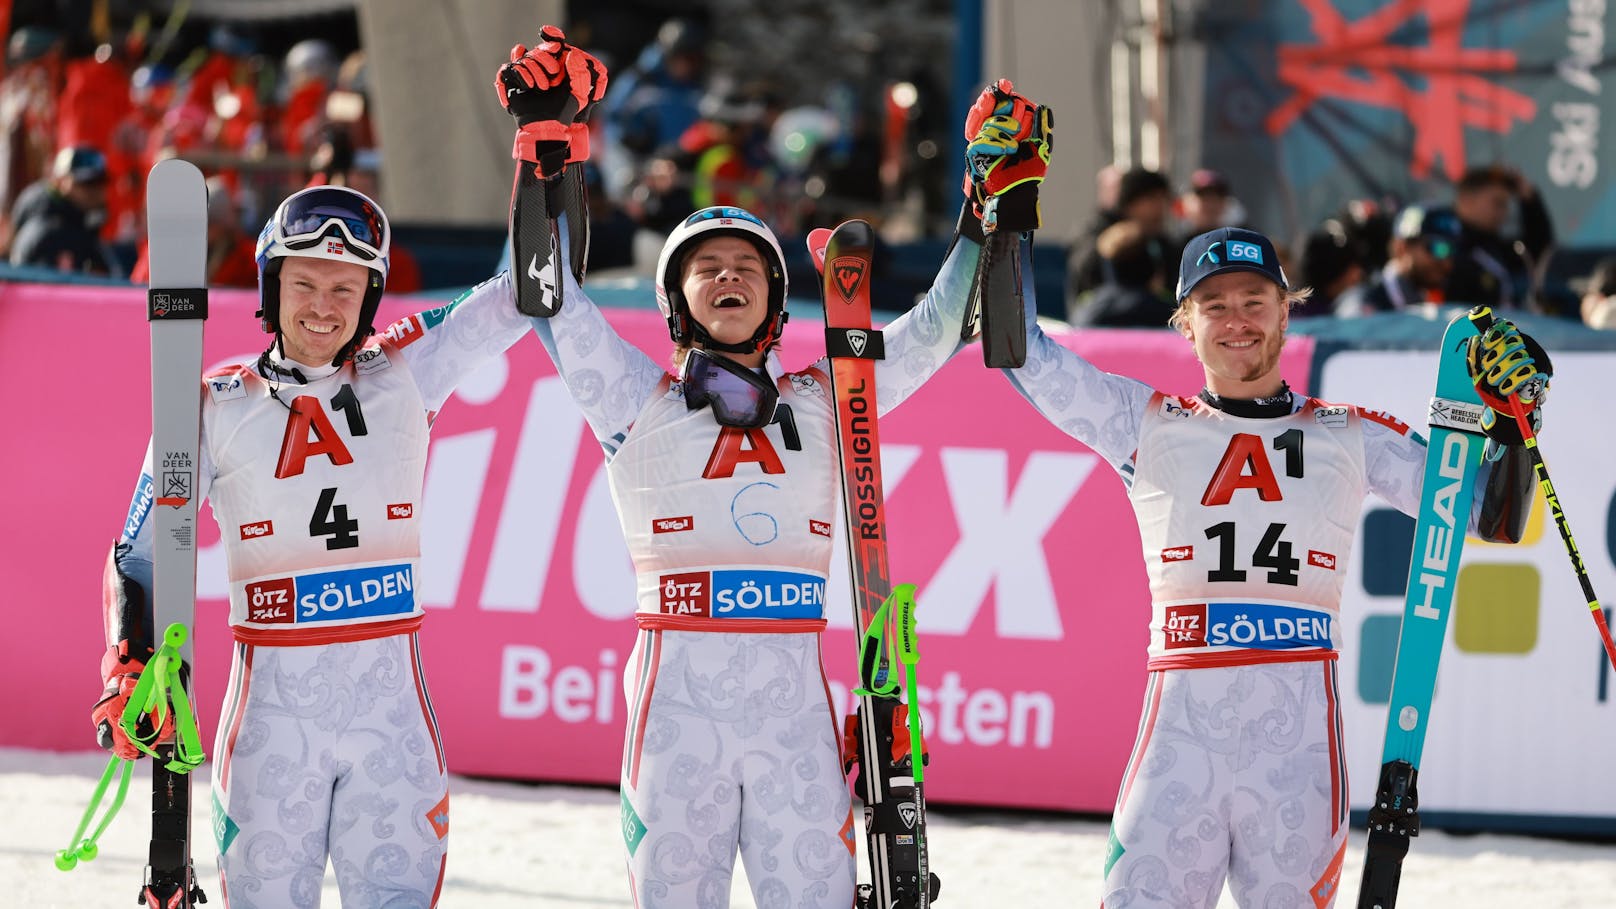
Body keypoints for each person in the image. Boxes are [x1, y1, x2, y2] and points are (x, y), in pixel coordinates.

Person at [493, 31, 1031, 906]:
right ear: (676, 302)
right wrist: (548, 148)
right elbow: (547, 293)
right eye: (707, 270)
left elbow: (936, 332)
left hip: (793, 713)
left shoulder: (830, 397)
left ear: (779, 302)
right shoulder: (636, 401)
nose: (729, 278)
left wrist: (981, 214)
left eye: (749, 268)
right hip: (675, 711)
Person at [989, 89, 1547, 904]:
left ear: (1288, 309)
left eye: (1255, 301)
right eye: (1215, 306)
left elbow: (1488, 515)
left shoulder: (1347, 433)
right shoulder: (1145, 422)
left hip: (1298, 753)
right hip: (1177, 741)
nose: (1238, 321)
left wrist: (1518, 415)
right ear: (1185, 324)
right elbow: (1018, 352)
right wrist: (1011, 205)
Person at [91, 184, 531, 905]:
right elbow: (136, 552)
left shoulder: (407, 367)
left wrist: (545, 156)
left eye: (345, 287)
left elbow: (529, 292)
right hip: (269, 728)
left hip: (392, 729)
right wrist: (127, 658)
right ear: (271, 285)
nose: (324, 306)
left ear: (370, 295)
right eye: (304, 284)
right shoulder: (212, 401)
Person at [1444, 163, 1554, 311]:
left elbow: (1536, 249)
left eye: (1506, 205)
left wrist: (1530, 200)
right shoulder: (1442, 246)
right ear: (1466, 201)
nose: (1505, 213)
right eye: (1497, 203)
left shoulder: (1492, 248)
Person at [1334, 204, 1462, 316]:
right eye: (1439, 248)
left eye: (1453, 251)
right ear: (1402, 247)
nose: (1447, 262)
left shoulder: (1436, 308)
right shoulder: (1362, 305)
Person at [8, 144, 112, 273]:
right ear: (60, 181)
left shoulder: (85, 224)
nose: (96, 191)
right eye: (87, 183)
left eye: (101, 182)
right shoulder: (48, 232)